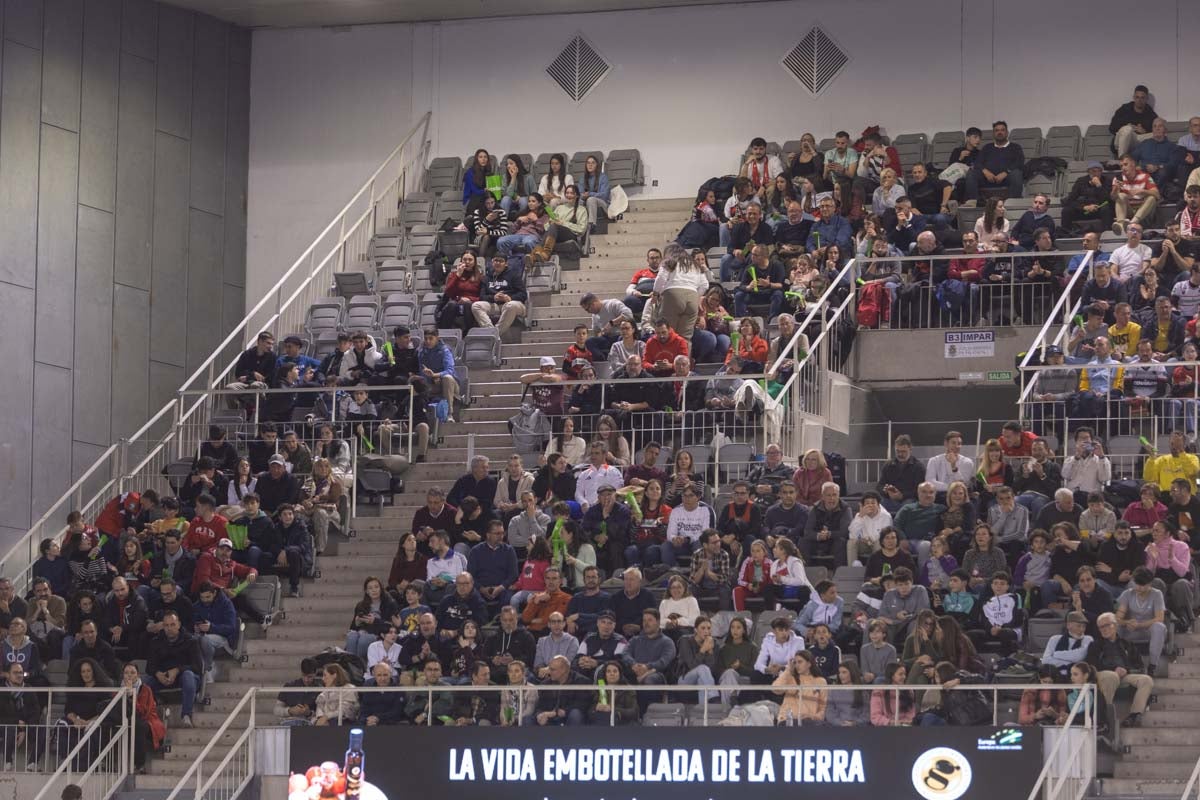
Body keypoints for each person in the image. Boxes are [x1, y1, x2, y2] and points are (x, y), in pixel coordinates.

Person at [1089, 611, 1153, 727]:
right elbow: (1093, 665)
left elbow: (1139, 664)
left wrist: (1126, 670)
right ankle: (1103, 717)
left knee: (1146, 679)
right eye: (1101, 627)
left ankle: (1134, 715)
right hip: (1103, 675)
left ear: (1116, 625)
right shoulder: (1095, 645)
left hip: (1124, 675)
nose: (1104, 629)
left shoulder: (1126, 644)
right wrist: (1114, 669)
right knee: (1111, 676)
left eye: (1107, 625)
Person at [143, 611, 202, 728]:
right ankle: (147, 717)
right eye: (166, 625)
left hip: (183, 676)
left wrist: (178, 670)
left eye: (172, 624)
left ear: (179, 624)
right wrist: (157, 674)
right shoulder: (156, 642)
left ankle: (186, 715)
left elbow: (197, 667)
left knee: (189, 676)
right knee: (144, 683)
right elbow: (149, 667)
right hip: (162, 677)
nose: (169, 628)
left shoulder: (191, 641)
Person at [964, 121, 1025, 201]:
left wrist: (1006, 172)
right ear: (993, 133)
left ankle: (1012, 205)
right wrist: (985, 172)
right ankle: (975, 203)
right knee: (971, 174)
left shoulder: (1015, 147)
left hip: (1007, 178)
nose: (999, 132)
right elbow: (978, 162)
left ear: (1007, 133)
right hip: (988, 178)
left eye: (1002, 130)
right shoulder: (987, 147)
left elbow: (1019, 162)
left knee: (1017, 174)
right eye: (997, 130)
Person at [772, 651, 827, 725]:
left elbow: (823, 706)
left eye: (800, 662)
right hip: (788, 720)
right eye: (795, 663)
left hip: (809, 721)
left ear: (809, 664)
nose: (797, 665)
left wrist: (813, 716)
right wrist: (788, 670)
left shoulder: (820, 681)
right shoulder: (789, 677)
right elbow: (776, 689)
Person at [674, 615, 719, 703]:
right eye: (703, 628)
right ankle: (714, 697)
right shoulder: (685, 641)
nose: (706, 631)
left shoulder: (714, 644)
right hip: (684, 678)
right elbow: (691, 665)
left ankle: (702, 711)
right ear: (695, 630)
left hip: (703, 679)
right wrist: (703, 650)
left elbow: (712, 671)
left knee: (702, 680)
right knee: (702, 668)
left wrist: (710, 651)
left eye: (709, 628)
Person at [1111, 155, 1160, 236]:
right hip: (1129, 211)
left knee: (1152, 198)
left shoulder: (1145, 176)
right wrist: (1115, 189)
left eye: (1125, 164)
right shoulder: (1118, 178)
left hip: (1144, 212)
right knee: (1121, 195)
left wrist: (1143, 191)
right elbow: (1113, 198)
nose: (1123, 168)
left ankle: (1133, 223)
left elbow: (1157, 195)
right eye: (1121, 166)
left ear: (1133, 164)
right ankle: (1120, 224)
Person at [534, 655, 588, 727]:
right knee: (528, 719)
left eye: (552, 669)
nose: (549, 672)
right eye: (549, 669)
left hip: (568, 715)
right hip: (550, 717)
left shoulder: (580, 681)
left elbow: (582, 704)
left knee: (575, 714)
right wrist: (539, 715)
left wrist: (561, 712)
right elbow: (539, 706)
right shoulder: (545, 684)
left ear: (564, 670)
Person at [1110, 85, 1157, 157]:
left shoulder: (1149, 112)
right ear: (1134, 97)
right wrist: (1127, 126)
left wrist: (1145, 131)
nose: (1139, 100)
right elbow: (1111, 127)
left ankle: (1153, 161)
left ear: (1146, 99)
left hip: (1137, 140)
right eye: (1137, 97)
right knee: (1127, 129)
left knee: (1158, 134)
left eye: (1142, 98)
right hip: (1121, 140)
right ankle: (1123, 161)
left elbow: (1157, 128)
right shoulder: (1124, 109)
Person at [589, 660, 638, 726]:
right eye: (608, 671)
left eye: (615, 671)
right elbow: (589, 712)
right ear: (605, 674)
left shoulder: (628, 689)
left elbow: (633, 712)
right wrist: (596, 707)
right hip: (601, 721)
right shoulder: (599, 689)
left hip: (623, 723)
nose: (612, 674)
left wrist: (612, 709)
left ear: (620, 674)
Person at [533, 613, 579, 677]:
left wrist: (550, 670)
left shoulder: (572, 641)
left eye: (559, 621)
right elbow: (538, 663)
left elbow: (568, 663)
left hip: (565, 677)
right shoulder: (542, 641)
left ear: (564, 624)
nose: (556, 625)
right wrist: (541, 670)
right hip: (545, 676)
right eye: (553, 622)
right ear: (549, 624)